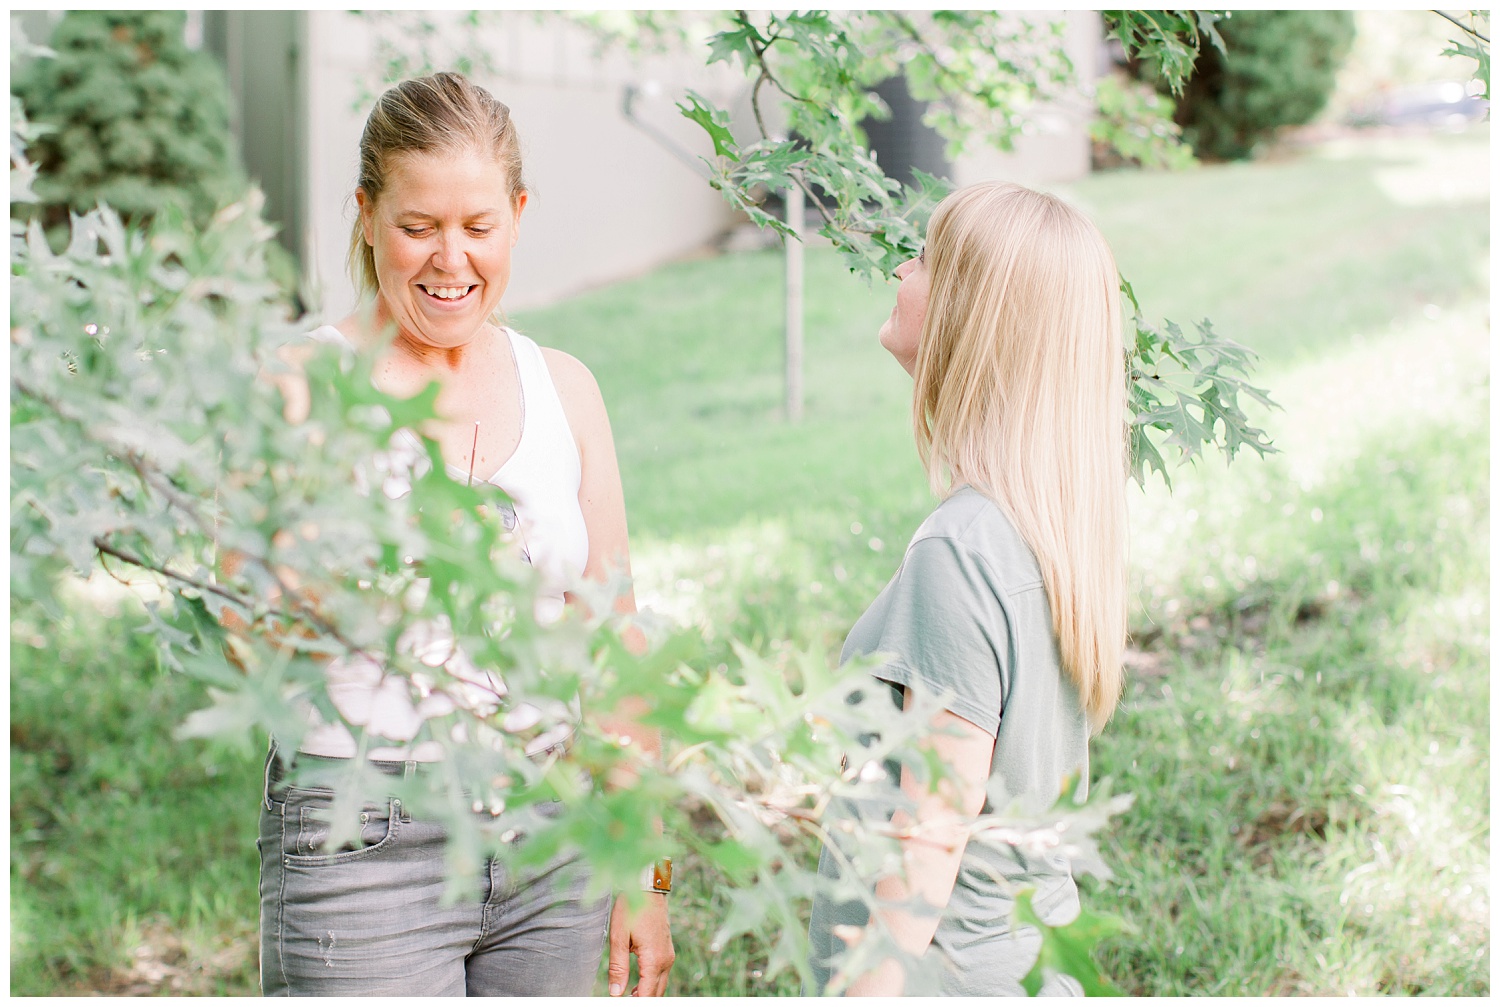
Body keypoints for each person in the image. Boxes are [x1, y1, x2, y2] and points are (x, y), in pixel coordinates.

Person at [253, 72, 674, 997]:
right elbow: (248, 636)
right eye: (418, 227)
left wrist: (646, 870)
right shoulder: (296, 387)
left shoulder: (565, 387)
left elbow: (619, 645)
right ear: (365, 215)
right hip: (363, 847)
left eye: (479, 226)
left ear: (518, 214)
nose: (452, 260)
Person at [807, 181, 1129, 996]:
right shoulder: (1041, 527)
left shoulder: (957, 550)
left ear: (968, 314)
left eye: (923, 257)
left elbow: (929, 834)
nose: (900, 268)